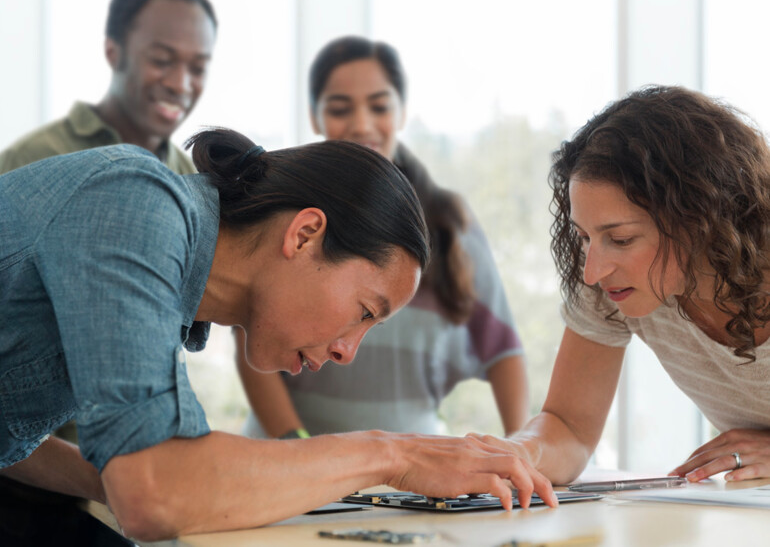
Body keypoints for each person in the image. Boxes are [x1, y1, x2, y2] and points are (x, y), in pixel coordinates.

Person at [0, 128, 556, 540]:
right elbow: (155, 492)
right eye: (365, 311)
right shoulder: (134, 203)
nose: (346, 351)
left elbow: (9, 435)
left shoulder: (163, 275)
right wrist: (393, 455)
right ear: (306, 233)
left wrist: (114, 477)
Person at [237, 36, 529, 441]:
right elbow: (251, 330)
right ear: (315, 116)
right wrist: (296, 445)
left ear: (402, 111)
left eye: (379, 106)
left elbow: (501, 349)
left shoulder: (447, 222)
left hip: (409, 468)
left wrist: (523, 450)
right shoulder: (289, 212)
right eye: (340, 108)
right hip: (290, 461)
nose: (361, 122)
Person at [483, 85, 770, 488]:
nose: (592, 272)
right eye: (584, 237)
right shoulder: (614, 285)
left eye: (621, 240)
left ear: (701, 220)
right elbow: (568, 427)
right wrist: (514, 454)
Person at [0, 0, 217, 175]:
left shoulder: (189, 176)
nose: (180, 85)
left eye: (197, 69)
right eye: (161, 60)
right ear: (113, 52)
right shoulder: (30, 159)